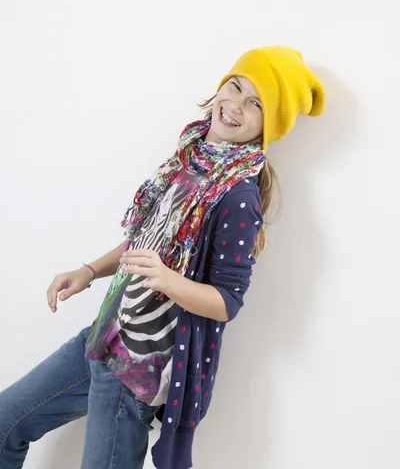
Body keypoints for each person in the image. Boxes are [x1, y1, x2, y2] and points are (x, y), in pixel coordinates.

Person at [0, 45, 326, 469]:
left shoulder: (238, 196)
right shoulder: (187, 158)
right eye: (235, 87)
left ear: (270, 124)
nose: (235, 106)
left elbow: (227, 302)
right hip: (101, 338)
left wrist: (167, 279)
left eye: (256, 104)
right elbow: (143, 240)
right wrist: (89, 271)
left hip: (136, 371)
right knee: (7, 422)